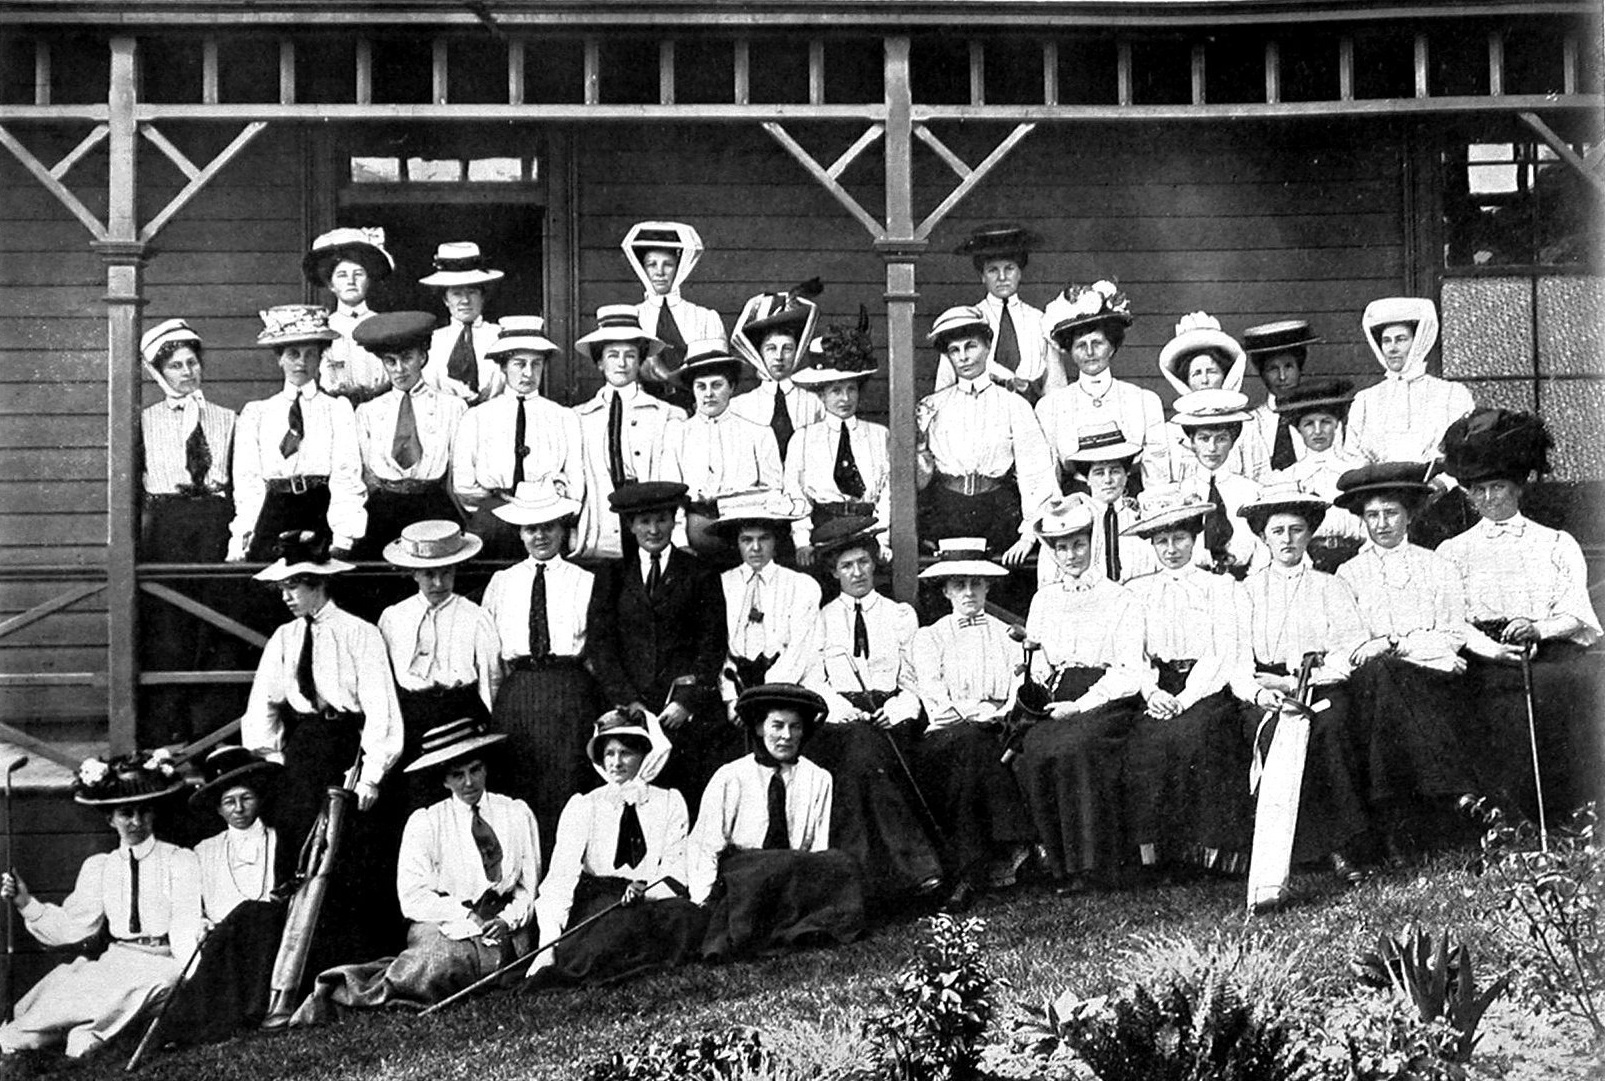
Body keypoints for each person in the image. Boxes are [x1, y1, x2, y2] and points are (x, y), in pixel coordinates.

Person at [290, 718, 542, 1023]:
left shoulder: (515, 812)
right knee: (441, 961)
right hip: (444, 921)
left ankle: (456, 973)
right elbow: (413, 898)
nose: (469, 783)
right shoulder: (427, 823)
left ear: (486, 768)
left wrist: (507, 919)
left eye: (475, 770)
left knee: (506, 959)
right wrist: (466, 915)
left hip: (505, 923)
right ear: (444, 780)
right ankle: (342, 990)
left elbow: (529, 887)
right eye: (457, 775)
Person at [1437, 409, 1603, 820]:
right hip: (1486, 653)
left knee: (1568, 686)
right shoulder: (1453, 552)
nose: (1490, 499)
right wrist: (1493, 650)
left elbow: (1575, 612)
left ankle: (1571, 809)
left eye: (1498, 487)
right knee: (1501, 703)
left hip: (1548, 647)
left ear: (1518, 488)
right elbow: (1450, 621)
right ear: (1469, 495)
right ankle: (1512, 812)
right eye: (1479, 491)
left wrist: (1538, 628)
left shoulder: (1556, 543)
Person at [239, 531, 403, 932]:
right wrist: (278, 756)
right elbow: (263, 703)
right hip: (305, 747)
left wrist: (372, 775)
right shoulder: (285, 637)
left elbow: (381, 707)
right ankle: (291, 943)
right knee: (296, 842)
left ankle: (342, 944)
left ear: (319, 584)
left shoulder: (359, 634)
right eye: (283, 587)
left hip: (347, 746)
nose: (287, 596)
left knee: (345, 846)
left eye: (294, 586)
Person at [0, 753, 201, 1059]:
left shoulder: (179, 860)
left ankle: (90, 1033)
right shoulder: (100, 867)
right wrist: (26, 903)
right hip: (118, 959)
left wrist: (192, 974)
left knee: (151, 986)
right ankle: (75, 1031)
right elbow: (76, 925)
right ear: (110, 818)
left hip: (164, 962)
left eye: (144, 812)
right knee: (39, 1030)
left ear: (154, 814)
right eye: (126, 813)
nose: (136, 821)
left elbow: (186, 925)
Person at [1226, 484, 1371, 888]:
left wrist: (1296, 680)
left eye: (1296, 530)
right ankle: (1288, 852)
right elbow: (1236, 662)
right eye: (1278, 531)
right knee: (1273, 734)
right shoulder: (1245, 593)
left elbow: (1348, 654)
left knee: (1329, 729)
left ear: (1310, 534)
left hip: (1321, 686)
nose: (1287, 539)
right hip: (1264, 691)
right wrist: (1261, 693)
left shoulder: (1330, 586)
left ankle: (1342, 847)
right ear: (1262, 537)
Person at [1333, 462, 1478, 860]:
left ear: (1410, 515)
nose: (1382, 524)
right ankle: (1454, 797)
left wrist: (1393, 642)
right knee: (1385, 674)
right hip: (1374, 685)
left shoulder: (1438, 566)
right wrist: (1407, 647)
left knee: (1392, 673)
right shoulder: (1349, 575)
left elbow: (1452, 635)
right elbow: (1354, 646)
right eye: (1372, 515)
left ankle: (1397, 819)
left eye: (1391, 513)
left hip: (1431, 680)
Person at [801, 517, 944, 903]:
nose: (857, 572)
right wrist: (844, 710)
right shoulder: (821, 619)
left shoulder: (899, 615)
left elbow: (914, 679)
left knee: (866, 758)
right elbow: (815, 680)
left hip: (891, 716)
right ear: (833, 572)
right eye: (846, 566)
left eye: (863, 562)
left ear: (875, 562)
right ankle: (917, 867)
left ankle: (864, 882)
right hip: (840, 720)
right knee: (862, 752)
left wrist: (897, 710)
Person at [1120, 485, 1254, 875]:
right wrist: (1152, 691)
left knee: (1197, 735)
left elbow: (1222, 650)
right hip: (1159, 683)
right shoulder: (1137, 592)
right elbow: (1135, 653)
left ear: (1195, 539)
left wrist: (1187, 697)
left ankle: (1208, 852)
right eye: (1161, 541)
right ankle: (1160, 853)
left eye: (1179, 538)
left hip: (1206, 684)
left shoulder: (1220, 587)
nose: (1171, 549)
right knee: (1147, 740)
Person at [1014, 497, 1145, 893]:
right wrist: (1033, 674)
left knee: (1075, 746)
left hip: (1106, 698)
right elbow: (1041, 662)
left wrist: (1081, 704)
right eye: (1060, 548)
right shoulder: (1044, 600)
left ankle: (1094, 865)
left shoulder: (1119, 598)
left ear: (1093, 545)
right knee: (1034, 747)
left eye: (1077, 545)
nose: (1070, 555)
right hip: (1059, 696)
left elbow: (1128, 672)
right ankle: (1058, 864)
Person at [689, 684, 865, 960]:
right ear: (759, 728)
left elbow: (817, 843)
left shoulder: (818, 777)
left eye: (795, 727)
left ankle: (804, 927)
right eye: (777, 726)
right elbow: (705, 844)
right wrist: (702, 900)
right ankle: (759, 931)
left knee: (841, 863)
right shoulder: (731, 776)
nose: (786, 736)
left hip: (793, 868)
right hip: (746, 870)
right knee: (767, 869)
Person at [584, 481, 731, 810]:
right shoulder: (612, 574)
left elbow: (712, 643)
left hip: (682, 715)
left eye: (662, 520)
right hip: (631, 714)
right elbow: (601, 646)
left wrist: (685, 702)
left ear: (674, 520)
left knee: (685, 798)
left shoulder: (700, 573)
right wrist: (629, 703)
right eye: (644, 521)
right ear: (630, 525)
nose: (654, 529)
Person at [532, 708, 707, 985]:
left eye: (626, 753)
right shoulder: (584, 805)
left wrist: (647, 891)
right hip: (604, 898)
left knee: (687, 919)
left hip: (651, 896)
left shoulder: (669, 801)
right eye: (609, 754)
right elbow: (560, 879)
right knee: (613, 934)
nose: (616, 762)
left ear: (644, 754)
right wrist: (547, 946)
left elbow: (676, 864)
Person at [908, 540, 1036, 909]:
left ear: (987, 588)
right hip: (947, 734)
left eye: (975, 584)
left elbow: (1017, 690)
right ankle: (1012, 847)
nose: (968, 592)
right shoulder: (929, 637)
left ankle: (968, 871)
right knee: (969, 745)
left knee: (976, 751)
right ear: (946, 590)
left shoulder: (1009, 634)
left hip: (997, 730)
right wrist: (978, 713)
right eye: (959, 585)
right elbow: (935, 699)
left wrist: (996, 713)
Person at [480, 481, 599, 856]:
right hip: (518, 695)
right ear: (520, 532)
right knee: (518, 788)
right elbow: (491, 656)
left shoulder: (585, 581)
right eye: (532, 528)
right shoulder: (502, 583)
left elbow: (596, 653)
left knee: (567, 787)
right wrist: (497, 707)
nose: (541, 535)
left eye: (549, 526)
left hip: (569, 692)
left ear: (563, 529)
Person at [153, 747, 286, 1046]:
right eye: (229, 802)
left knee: (252, 914)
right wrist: (201, 921)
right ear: (218, 809)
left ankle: (211, 1022)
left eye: (246, 798)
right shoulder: (204, 851)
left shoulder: (279, 842)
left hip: (268, 936)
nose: (238, 809)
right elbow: (194, 908)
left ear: (259, 799)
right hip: (221, 940)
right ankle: (200, 1025)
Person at [916, 305, 1058, 573]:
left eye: (971, 346)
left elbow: (1035, 471)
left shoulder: (1014, 405)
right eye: (954, 351)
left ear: (987, 347)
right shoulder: (932, 406)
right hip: (946, 511)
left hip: (998, 511)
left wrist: (1029, 534)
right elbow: (921, 478)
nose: (963, 357)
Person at [229, 305, 367, 562]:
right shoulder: (258, 413)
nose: (302, 362)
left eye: (310, 354)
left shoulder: (337, 409)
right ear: (279, 358)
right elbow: (248, 482)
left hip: (320, 507)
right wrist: (242, 536)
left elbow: (346, 473)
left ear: (320, 358)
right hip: (273, 510)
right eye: (293, 354)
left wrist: (344, 536)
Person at [378, 520, 501, 804]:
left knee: (464, 795)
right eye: (429, 574)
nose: (438, 583)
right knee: (417, 798)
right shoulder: (394, 618)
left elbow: (491, 677)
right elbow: (383, 681)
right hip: (413, 716)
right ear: (414, 574)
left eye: (445, 574)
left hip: (461, 712)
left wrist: (489, 724)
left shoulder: (475, 616)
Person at [451, 316, 586, 560]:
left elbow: (576, 481)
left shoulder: (563, 417)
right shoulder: (478, 417)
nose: (528, 373)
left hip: (547, 518)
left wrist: (546, 498)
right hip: (494, 518)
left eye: (536, 364)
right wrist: (499, 503)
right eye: (519, 363)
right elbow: (463, 484)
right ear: (503, 366)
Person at [570, 305, 684, 560]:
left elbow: (673, 478)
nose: (621, 363)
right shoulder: (578, 417)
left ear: (640, 361)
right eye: (612, 355)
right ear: (599, 362)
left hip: (651, 524)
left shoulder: (666, 415)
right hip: (600, 526)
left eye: (630, 355)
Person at [352, 311, 469, 559]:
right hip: (383, 509)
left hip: (431, 503)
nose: (399, 369)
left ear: (422, 357)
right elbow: (363, 472)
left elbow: (457, 471)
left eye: (407, 358)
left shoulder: (452, 407)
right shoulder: (368, 412)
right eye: (390, 361)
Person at [1035, 281, 1169, 490]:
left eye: (1097, 343)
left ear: (1112, 347)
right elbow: (1049, 475)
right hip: (1076, 501)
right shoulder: (1050, 406)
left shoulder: (1144, 400)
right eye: (1080, 346)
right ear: (1070, 351)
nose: (1090, 353)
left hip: (1132, 497)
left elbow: (1156, 472)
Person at [784, 309, 891, 566]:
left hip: (868, 528)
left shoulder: (878, 435)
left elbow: (888, 492)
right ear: (821, 395)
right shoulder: (804, 438)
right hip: (824, 528)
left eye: (851, 389)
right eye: (835, 391)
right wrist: (802, 541)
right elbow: (795, 492)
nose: (844, 399)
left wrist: (883, 539)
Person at [658, 338, 782, 560]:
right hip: (694, 535)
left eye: (717, 385)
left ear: (732, 387)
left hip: (744, 535)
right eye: (701, 386)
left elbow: (773, 492)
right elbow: (671, 496)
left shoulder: (758, 433)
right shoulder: (677, 435)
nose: (708, 394)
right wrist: (680, 543)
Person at [137, 317, 235, 561]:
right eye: (176, 366)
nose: (187, 372)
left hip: (215, 520)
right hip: (165, 522)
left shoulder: (228, 418)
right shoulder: (145, 421)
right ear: (159, 372)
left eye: (192, 363)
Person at [712, 490, 820, 703]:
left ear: (775, 540)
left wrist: (766, 698)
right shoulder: (722, 584)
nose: (756, 548)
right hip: (733, 688)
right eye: (747, 540)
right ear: (737, 543)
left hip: (783, 691)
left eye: (764, 538)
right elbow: (717, 648)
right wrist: (731, 698)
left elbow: (800, 650)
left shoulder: (801, 586)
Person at [1347, 297, 1475, 467]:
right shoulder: (1365, 400)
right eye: (1386, 341)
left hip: (1438, 489)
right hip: (1379, 490)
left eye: (1401, 339)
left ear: (1418, 341)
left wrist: (1442, 484)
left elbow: (1464, 451)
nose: (1392, 349)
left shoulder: (1452, 394)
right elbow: (1352, 457)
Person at [939, 224, 1059, 397]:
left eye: (1009, 268)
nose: (1002, 277)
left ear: (1020, 272)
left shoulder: (1039, 320)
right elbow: (943, 388)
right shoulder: (965, 321)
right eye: (993, 270)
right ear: (982, 276)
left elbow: (1055, 386)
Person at [1035, 421, 1156, 589]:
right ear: (1087, 479)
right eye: (1099, 473)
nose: (1108, 480)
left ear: (1126, 474)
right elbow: (1050, 580)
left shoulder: (1141, 517)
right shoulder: (1069, 519)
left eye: (1115, 471)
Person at [1156, 312, 1271, 482]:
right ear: (1185, 380)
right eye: (1196, 373)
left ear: (1225, 375)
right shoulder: (1171, 432)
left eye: (1212, 372)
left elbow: (1262, 479)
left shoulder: (1247, 428)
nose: (1204, 380)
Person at [1267, 378, 1367, 571]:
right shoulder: (1288, 478)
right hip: (1307, 561)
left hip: (1355, 557)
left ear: (1337, 424)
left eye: (1326, 422)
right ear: (1298, 429)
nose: (1318, 431)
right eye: (1309, 424)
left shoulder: (1356, 471)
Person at [622, 221, 725, 407]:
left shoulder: (705, 318)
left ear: (680, 267)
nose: (659, 272)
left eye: (667, 265)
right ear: (642, 268)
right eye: (652, 264)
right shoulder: (631, 318)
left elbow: (717, 375)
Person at [1168, 390, 1265, 577]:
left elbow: (1263, 547)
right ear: (1192, 442)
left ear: (1233, 442)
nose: (1212, 448)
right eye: (1204, 439)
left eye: (1221, 439)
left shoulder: (1251, 492)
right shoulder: (1180, 492)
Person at [728, 279, 827, 463]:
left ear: (797, 351)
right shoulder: (739, 406)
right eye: (771, 349)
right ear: (760, 353)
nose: (779, 357)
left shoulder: (814, 404)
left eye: (787, 348)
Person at [303, 227, 394, 402]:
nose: (351, 281)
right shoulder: (322, 327)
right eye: (342, 275)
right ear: (330, 284)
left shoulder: (384, 324)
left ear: (369, 281)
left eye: (358, 274)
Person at [419, 241, 505, 404]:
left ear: (483, 296)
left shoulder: (499, 336)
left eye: (472, 292)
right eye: (457, 294)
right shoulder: (434, 341)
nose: (465, 300)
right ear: (445, 299)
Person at [1242, 319, 1321, 476]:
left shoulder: (1321, 419)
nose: (1282, 377)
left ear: (1300, 368)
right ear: (1262, 373)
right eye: (1273, 369)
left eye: (1289, 366)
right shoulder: (1250, 424)